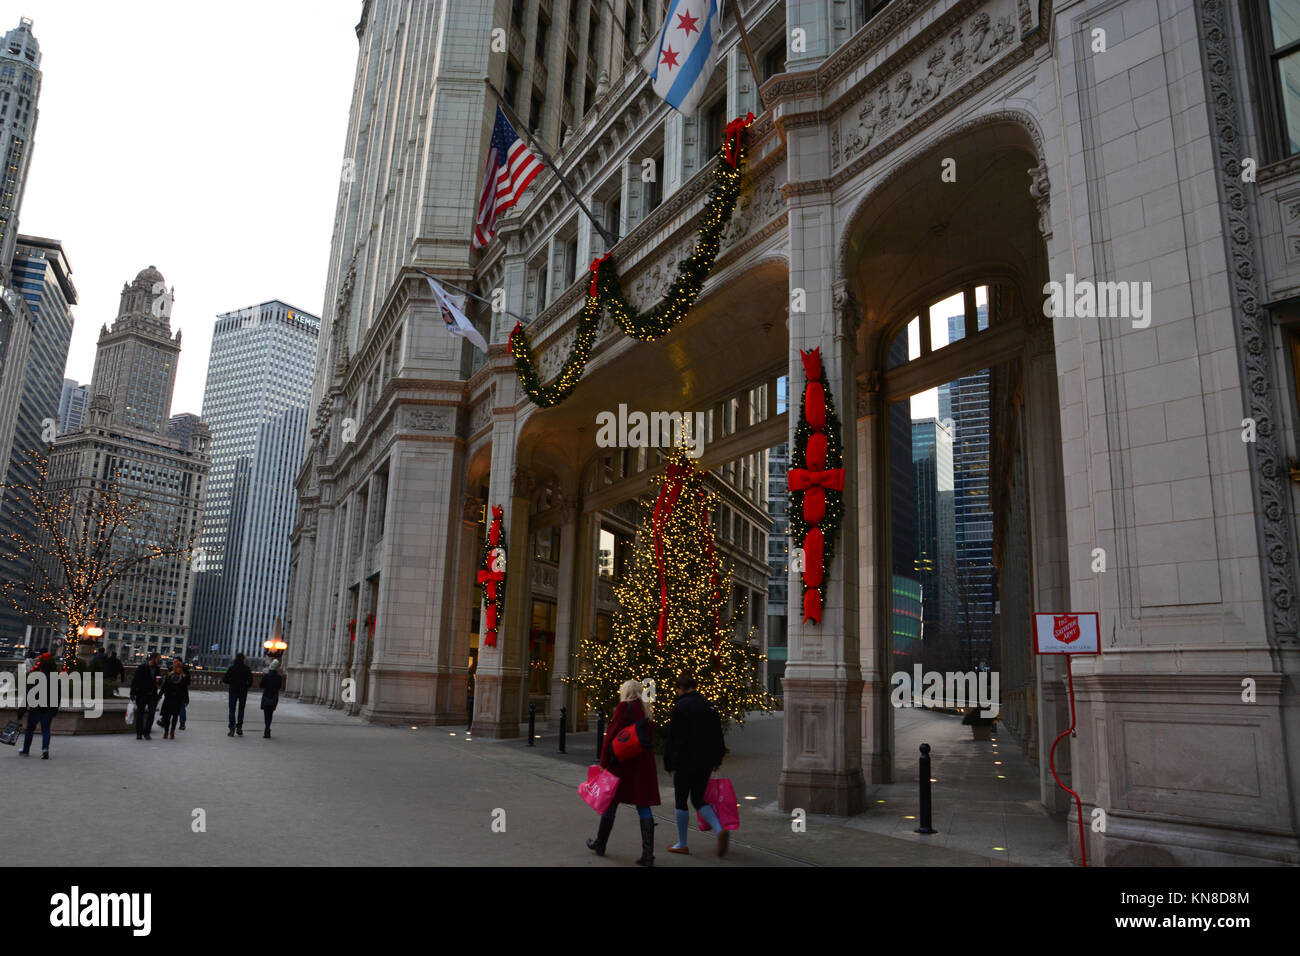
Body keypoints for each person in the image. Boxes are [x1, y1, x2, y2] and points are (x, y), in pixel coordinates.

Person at [587, 679, 661, 866]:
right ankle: (648, 854)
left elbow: (611, 736)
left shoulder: (623, 708)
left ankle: (600, 844)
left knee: (611, 803)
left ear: (626, 692)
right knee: (643, 806)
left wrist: (603, 763)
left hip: (622, 765)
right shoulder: (646, 710)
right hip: (642, 766)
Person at [664, 670, 728, 856]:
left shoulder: (680, 707)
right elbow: (717, 735)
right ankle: (719, 829)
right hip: (705, 762)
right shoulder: (709, 706)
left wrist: (670, 763)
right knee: (698, 798)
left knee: (681, 800)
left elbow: (675, 738)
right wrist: (717, 759)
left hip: (685, 761)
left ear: (681, 688)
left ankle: (682, 843)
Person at [17, 653, 57, 759]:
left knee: (30, 730)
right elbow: (58, 696)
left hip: (36, 708)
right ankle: (45, 749)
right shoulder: (54, 679)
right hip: (48, 708)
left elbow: (28, 695)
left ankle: (26, 750)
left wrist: (21, 711)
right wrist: (54, 710)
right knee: (46, 729)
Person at [130, 653, 161, 740]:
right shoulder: (142, 667)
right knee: (140, 714)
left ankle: (147, 732)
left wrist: (159, 681)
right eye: (158, 659)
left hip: (152, 695)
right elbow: (135, 680)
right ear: (153, 659)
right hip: (142, 694)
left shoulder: (157, 669)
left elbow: (159, 681)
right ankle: (139, 733)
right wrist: (132, 693)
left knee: (151, 714)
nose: (159, 660)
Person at [157, 658, 188, 740]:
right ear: (174, 668)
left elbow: (185, 689)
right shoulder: (169, 675)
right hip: (169, 698)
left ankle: (172, 731)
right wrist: (160, 695)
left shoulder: (183, 677)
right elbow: (164, 686)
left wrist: (186, 698)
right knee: (167, 716)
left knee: (175, 716)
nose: (179, 669)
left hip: (177, 699)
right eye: (177, 667)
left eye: (180, 668)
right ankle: (166, 731)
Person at [223, 652, 253, 736]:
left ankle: (232, 728)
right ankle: (239, 727)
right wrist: (246, 685)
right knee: (241, 709)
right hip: (243, 690)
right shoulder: (247, 669)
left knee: (232, 709)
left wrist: (231, 682)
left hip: (233, 690)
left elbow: (225, 679)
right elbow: (250, 681)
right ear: (243, 659)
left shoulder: (232, 668)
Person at [259, 660, 283, 738]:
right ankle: (268, 728)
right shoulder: (279, 677)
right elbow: (279, 687)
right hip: (274, 697)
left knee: (266, 713)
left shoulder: (266, 676)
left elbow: (261, 685)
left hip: (266, 696)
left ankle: (267, 728)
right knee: (270, 713)